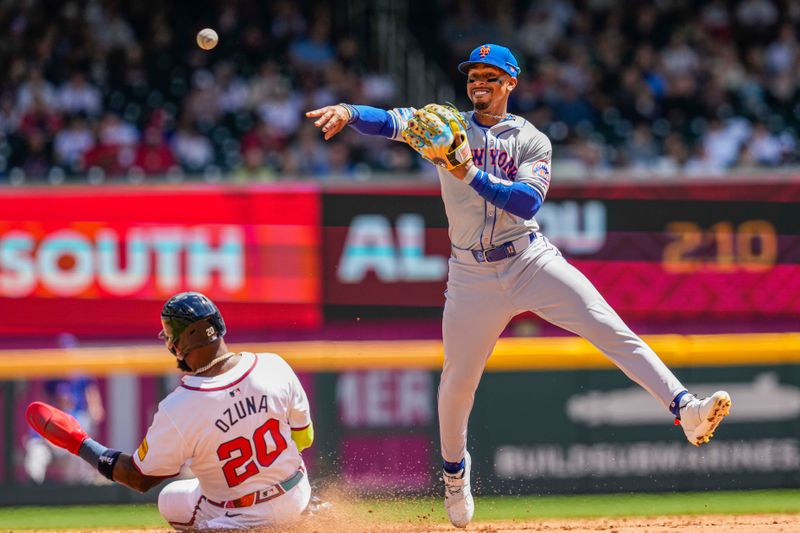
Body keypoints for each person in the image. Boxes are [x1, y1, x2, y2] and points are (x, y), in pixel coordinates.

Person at [306, 43, 732, 528]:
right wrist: (348, 110)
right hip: (470, 274)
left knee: (609, 327)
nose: (479, 82)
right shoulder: (447, 124)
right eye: (473, 75)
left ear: (511, 82)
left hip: (528, 257)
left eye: (491, 75)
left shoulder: (532, 141)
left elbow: (527, 204)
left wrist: (465, 170)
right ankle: (454, 475)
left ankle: (686, 411)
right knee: (456, 385)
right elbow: (389, 121)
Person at [26, 292, 314, 531]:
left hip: (243, 520)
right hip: (295, 495)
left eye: (169, 337)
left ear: (180, 343)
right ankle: (307, 515)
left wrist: (79, 442)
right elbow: (304, 438)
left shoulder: (182, 406)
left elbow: (138, 477)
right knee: (178, 496)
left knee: (171, 500)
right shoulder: (273, 365)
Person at [24, 375, 105, 484]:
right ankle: (34, 490)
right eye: (61, 394)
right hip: (48, 447)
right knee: (36, 453)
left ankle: (74, 492)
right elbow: (35, 437)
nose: (65, 397)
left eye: (68, 395)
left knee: (78, 454)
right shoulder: (46, 413)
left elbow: (96, 415)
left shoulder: (77, 416)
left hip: (67, 450)